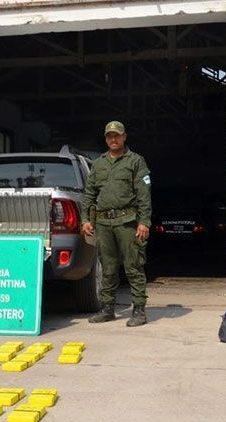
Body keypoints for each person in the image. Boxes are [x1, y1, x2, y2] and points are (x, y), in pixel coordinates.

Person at [82, 121, 152, 327]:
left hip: (128, 222)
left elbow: (144, 195)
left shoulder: (136, 161)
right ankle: (107, 309)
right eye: (109, 136)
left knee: (133, 265)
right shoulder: (98, 164)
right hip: (103, 223)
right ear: (106, 139)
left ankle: (139, 310)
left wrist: (144, 222)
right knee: (108, 267)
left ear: (124, 137)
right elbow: (89, 193)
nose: (113, 139)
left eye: (117, 135)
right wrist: (85, 219)